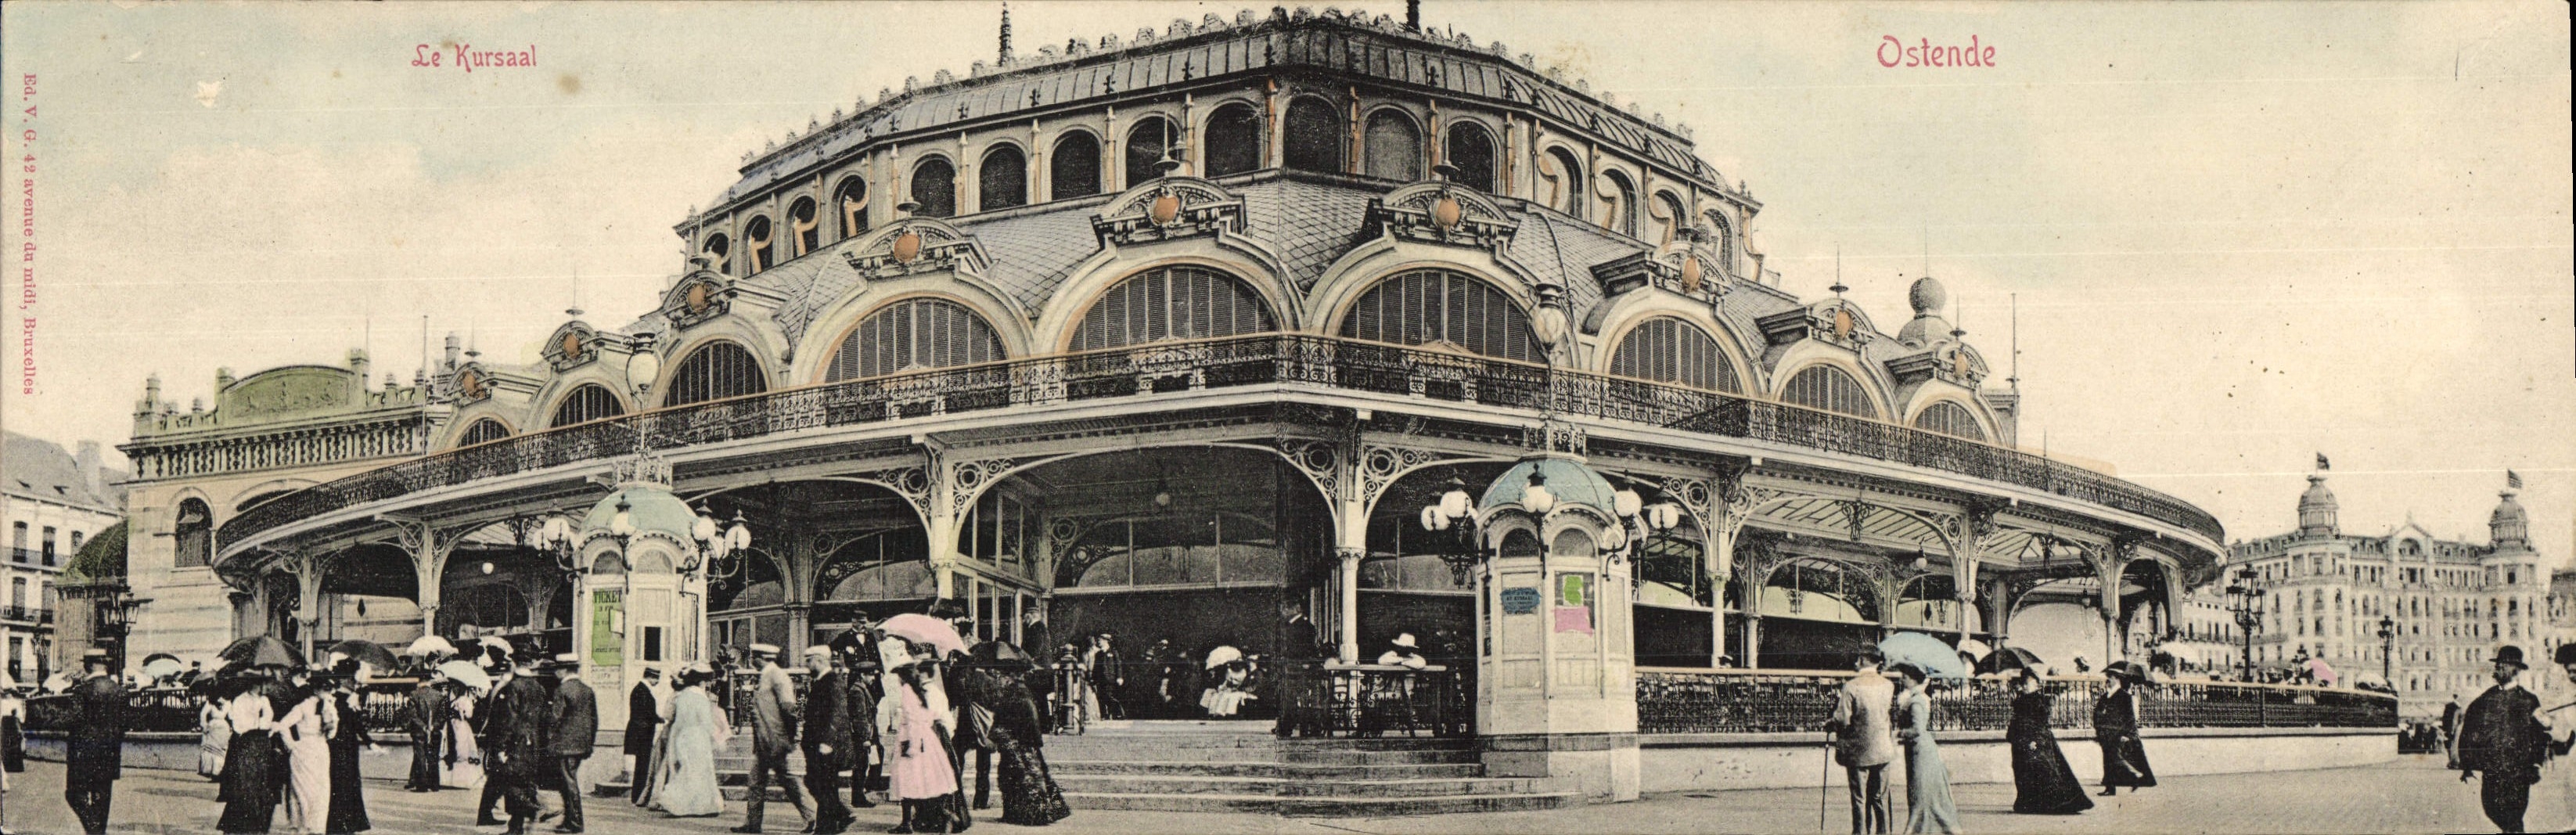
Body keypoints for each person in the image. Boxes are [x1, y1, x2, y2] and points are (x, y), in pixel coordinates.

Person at [960, 644, 1070, 827]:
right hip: (1024, 745)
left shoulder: (1014, 693)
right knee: (1026, 778)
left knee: (1021, 780)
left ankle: (1031, 814)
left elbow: (1006, 720)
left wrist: (994, 736)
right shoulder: (1018, 691)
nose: (997, 679)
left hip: (1019, 745)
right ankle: (1026, 813)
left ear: (1007, 675)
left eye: (999, 676)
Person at [2460, 645, 2549, 833]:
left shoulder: (2529, 700)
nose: (2498, 668)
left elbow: (2540, 735)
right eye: (2498, 665)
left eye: (2503, 665)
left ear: (2515, 669)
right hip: (2492, 769)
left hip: (2519, 770)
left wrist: (2536, 764)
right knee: (2491, 810)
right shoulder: (2485, 700)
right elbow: (2470, 729)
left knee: (2514, 815)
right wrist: (2467, 762)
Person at [735, 643, 815, 834]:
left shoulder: (776, 675)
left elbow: (789, 709)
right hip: (765, 741)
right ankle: (752, 824)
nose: (752, 660)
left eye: (754, 657)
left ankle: (814, 816)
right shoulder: (766, 676)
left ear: (761, 657)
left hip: (774, 741)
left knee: (788, 781)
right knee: (758, 781)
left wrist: (788, 739)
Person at [1826, 648, 1898, 835]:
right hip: (1882, 748)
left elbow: (1842, 719)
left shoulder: (1852, 686)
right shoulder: (1888, 685)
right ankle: (1884, 832)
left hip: (1858, 750)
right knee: (1880, 796)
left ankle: (1860, 832)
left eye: (1857, 658)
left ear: (1864, 660)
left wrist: (1830, 723)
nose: (1855, 662)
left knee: (1859, 797)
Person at [885, 662, 959, 834]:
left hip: (912, 739)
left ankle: (909, 823)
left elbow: (913, 720)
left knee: (906, 780)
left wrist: (913, 745)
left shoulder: (908, 691)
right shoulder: (922, 692)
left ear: (904, 677)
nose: (898, 681)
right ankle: (940, 816)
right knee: (925, 781)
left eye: (899, 677)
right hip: (926, 738)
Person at [2005, 669, 2092, 815]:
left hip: (2036, 741)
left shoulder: (2039, 701)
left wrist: (2034, 740)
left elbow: (2041, 724)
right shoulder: (2020, 700)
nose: (2025, 686)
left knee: (2043, 769)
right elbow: (2017, 721)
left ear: (2036, 685)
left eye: (2028, 683)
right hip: (2019, 741)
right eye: (2024, 683)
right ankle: (2027, 803)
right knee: (2021, 770)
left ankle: (2053, 803)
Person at [1884, 663, 1958, 833]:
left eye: (1905, 677)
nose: (1902, 680)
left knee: (1920, 792)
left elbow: (1918, 729)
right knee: (1920, 790)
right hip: (1917, 749)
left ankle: (1920, 830)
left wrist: (1899, 733)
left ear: (1912, 680)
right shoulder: (1917, 698)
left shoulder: (1916, 701)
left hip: (1920, 750)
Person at [484, 653, 551, 834]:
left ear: (514, 664)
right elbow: (545, 719)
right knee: (524, 783)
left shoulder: (513, 687)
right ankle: (516, 827)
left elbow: (509, 720)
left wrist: (500, 748)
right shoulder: (539, 688)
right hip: (534, 745)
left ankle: (536, 808)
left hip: (516, 744)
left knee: (512, 784)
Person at [64, 649, 128, 835]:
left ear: (89, 665)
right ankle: (99, 830)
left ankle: (94, 831)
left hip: (82, 753)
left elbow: (74, 720)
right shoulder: (120, 691)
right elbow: (125, 723)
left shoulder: (82, 690)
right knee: (103, 798)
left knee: (74, 794)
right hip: (110, 753)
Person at [650, 665, 727, 818]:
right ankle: (701, 805)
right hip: (698, 737)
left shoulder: (683, 696)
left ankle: (684, 804)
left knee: (687, 770)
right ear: (701, 682)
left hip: (683, 737)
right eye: (706, 681)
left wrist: (674, 740)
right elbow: (706, 721)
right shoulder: (700, 697)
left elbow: (678, 722)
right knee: (701, 771)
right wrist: (718, 737)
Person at [219, 671, 290, 834]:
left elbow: (269, 720)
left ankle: (259, 825)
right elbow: (239, 725)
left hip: (263, 745)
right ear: (253, 684)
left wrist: (267, 724)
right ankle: (242, 825)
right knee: (247, 786)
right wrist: (257, 722)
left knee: (263, 786)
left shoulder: (264, 700)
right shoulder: (241, 700)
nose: (265, 687)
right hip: (248, 745)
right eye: (262, 683)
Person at [801, 646, 856, 835]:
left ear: (819, 660)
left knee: (821, 784)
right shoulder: (823, 680)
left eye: (809, 660)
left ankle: (831, 825)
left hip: (825, 745)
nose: (806, 664)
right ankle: (834, 821)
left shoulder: (832, 680)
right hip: (816, 743)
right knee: (821, 784)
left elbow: (837, 713)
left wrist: (827, 742)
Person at [276, 668, 333, 835]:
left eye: (328, 689)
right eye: (324, 688)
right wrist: (292, 745)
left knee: (321, 789)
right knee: (303, 790)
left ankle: (317, 827)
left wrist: (329, 727)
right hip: (303, 752)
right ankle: (303, 826)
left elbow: (331, 732)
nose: (326, 692)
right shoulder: (304, 707)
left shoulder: (329, 707)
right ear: (315, 688)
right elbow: (283, 725)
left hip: (320, 750)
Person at [545, 653, 597, 833]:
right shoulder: (587, 690)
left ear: (564, 670)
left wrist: (548, 739)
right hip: (582, 745)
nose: (555, 673)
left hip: (565, 745)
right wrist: (590, 743)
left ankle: (574, 823)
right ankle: (569, 820)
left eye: (556, 669)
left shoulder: (562, 690)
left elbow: (554, 718)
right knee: (568, 781)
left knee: (568, 783)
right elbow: (594, 720)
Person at [2092, 661, 2156, 797]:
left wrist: (2127, 734)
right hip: (2105, 734)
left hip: (2117, 734)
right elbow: (2096, 713)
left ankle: (2133, 778)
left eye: (2110, 677)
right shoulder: (2105, 696)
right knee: (2108, 760)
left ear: (2117, 679)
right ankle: (2111, 788)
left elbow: (2129, 718)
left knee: (2114, 759)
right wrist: (2099, 729)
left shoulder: (2124, 697)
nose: (2107, 680)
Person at [323, 665, 373, 835]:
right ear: (344, 680)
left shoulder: (347, 698)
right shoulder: (338, 699)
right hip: (340, 746)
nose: (354, 682)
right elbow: (353, 723)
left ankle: (346, 822)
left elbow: (356, 724)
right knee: (342, 782)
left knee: (348, 781)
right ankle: (341, 823)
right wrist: (369, 741)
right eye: (351, 679)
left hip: (348, 746)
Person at [625, 668, 664, 807]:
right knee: (643, 765)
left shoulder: (640, 690)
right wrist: (660, 719)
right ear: (651, 677)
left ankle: (638, 795)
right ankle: (639, 796)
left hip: (641, 733)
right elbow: (646, 713)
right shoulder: (642, 691)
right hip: (642, 734)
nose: (657, 682)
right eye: (656, 678)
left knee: (642, 765)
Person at [405, 674, 449, 792]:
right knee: (433, 757)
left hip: (419, 731)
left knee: (420, 756)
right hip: (435, 730)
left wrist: (424, 726)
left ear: (419, 681)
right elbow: (443, 715)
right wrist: (434, 726)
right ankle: (434, 784)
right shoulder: (439, 696)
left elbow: (412, 715)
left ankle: (422, 785)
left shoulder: (414, 694)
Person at [2447, 693, 2467, 768]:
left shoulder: (2459, 710)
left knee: (2457, 744)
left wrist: (2452, 730)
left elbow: (2454, 721)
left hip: (2460, 727)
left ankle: (2456, 761)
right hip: (2467, 727)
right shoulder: (2470, 709)